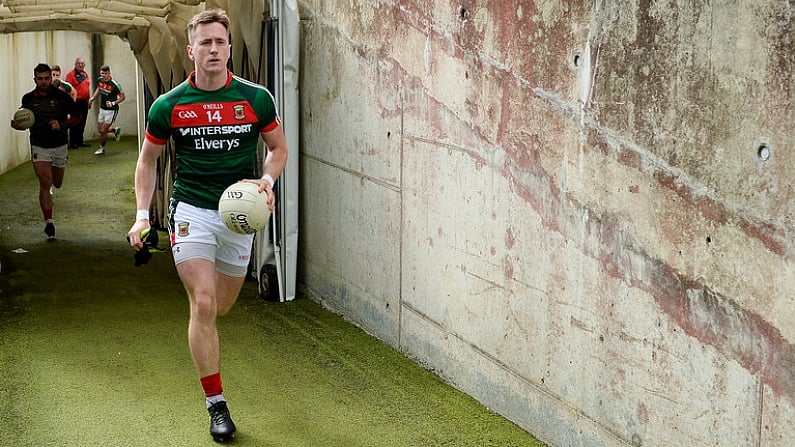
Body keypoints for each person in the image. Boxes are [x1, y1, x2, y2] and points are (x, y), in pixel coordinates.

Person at [127, 8, 287, 443]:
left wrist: (266, 181)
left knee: (220, 306)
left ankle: (206, 339)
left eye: (220, 42)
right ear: (191, 49)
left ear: (229, 48)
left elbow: (277, 149)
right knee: (202, 302)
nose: (213, 49)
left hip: (239, 214)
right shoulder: (169, 105)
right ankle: (217, 406)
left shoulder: (256, 98)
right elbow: (148, 160)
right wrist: (143, 215)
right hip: (192, 210)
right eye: (205, 42)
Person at [11, 63, 81, 240]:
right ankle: (49, 222)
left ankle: (50, 193)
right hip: (38, 144)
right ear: (35, 79)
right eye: (40, 79)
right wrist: (18, 126)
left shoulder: (61, 97)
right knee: (45, 180)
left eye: (46, 78)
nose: (43, 82)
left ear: (51, 78)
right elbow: (23, 120)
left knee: (56, 183)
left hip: (59, 145)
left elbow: (77, 117)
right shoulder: (28, 99)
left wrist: (62, 124)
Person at [88, 65, 124, 155]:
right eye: (102, 73)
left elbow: (123, 97)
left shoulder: (115, 85)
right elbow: (99, 89)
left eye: (105, 73)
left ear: (109, 73)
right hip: (102, 108)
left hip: (112, 110)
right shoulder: (100, 80)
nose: (103, 75)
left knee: (103, 130)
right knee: (100, 130)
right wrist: (92, 98)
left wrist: (113, 103)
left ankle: (101, 148)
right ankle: (115, 130)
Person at [64, 57, 91, 148]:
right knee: (75, 122)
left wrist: (89, 100)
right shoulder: (71, 75)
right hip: (76, 102)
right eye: (78, 63)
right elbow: (67, 89)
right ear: (75, 64)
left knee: (82, 122)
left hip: (84, 102)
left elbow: (87, 88)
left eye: (82, 63)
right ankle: (73, 142)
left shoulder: (85, 74)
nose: (80, 65)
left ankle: (80, 141)